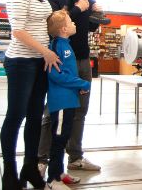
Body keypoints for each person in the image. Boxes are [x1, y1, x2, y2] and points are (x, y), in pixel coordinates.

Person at [0, 0, 61, 190]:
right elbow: (18, 30)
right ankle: (9, 172)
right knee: (16, 116)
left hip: (39, 63)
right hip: (21, 62)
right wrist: (44, 50)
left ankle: (29, 167)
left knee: (35, 118)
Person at [38, 0, 102, 173]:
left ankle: (75, 156)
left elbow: (85, 26)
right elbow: (54, 25)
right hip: (63, 59)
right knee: (53, 110)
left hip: (83, 59)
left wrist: (95, 14)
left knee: (80, 111)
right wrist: (77, 8)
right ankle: (41, 159)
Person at [44, 10, 91, 190]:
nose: (75, 24)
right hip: (61, 101)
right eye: (71, 22)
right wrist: (82, 83)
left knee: (64, 137)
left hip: (69, 100)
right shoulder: (56, 46)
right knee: (58, 139)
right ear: (64, 29)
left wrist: (78, 86)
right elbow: (56, 75)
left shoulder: (66, 44)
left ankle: (60, 172)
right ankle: (53, 179)